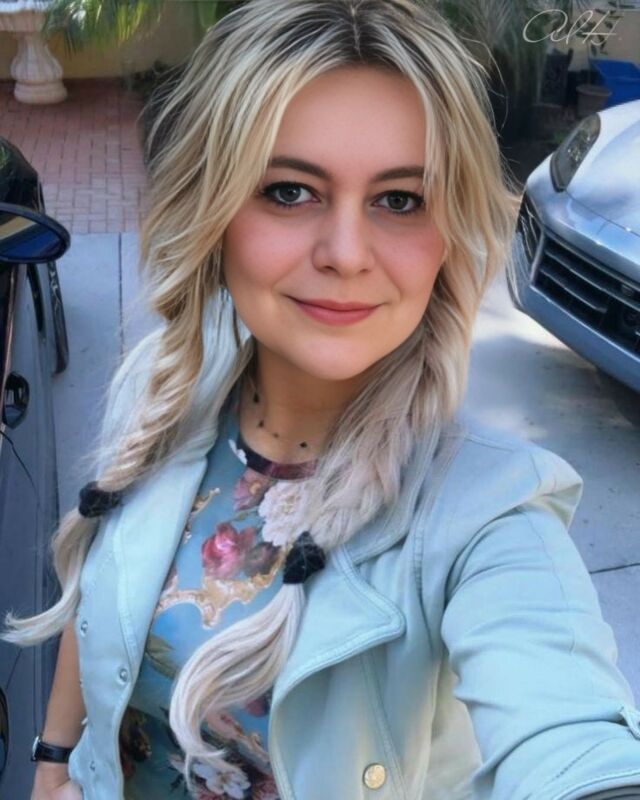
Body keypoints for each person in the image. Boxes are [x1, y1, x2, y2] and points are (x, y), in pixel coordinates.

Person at [3, 1, 640, 798]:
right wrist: (53, 760)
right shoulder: (159, 386)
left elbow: (570, 735)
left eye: (399, 200)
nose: (346, 254)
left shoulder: (490, 517)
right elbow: (101, 595)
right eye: (290, 191)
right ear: (212, 214)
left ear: (448, 236)